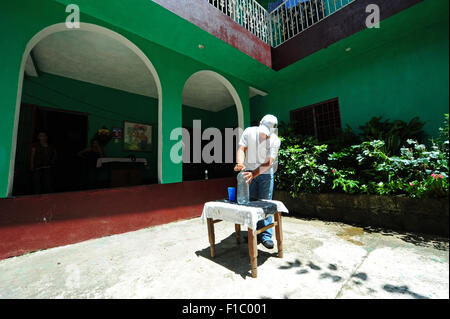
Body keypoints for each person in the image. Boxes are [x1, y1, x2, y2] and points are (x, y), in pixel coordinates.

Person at [234, 114, 281, 249]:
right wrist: (240, 163)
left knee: (265, 204)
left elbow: (268, 162)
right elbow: (241, 148)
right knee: (251, 203)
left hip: (265, 175)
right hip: (249, 172)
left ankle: (266, 236)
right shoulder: (249, 132)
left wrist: (254, 174)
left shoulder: (275, 140)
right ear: (260, 123)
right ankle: (253, 232)